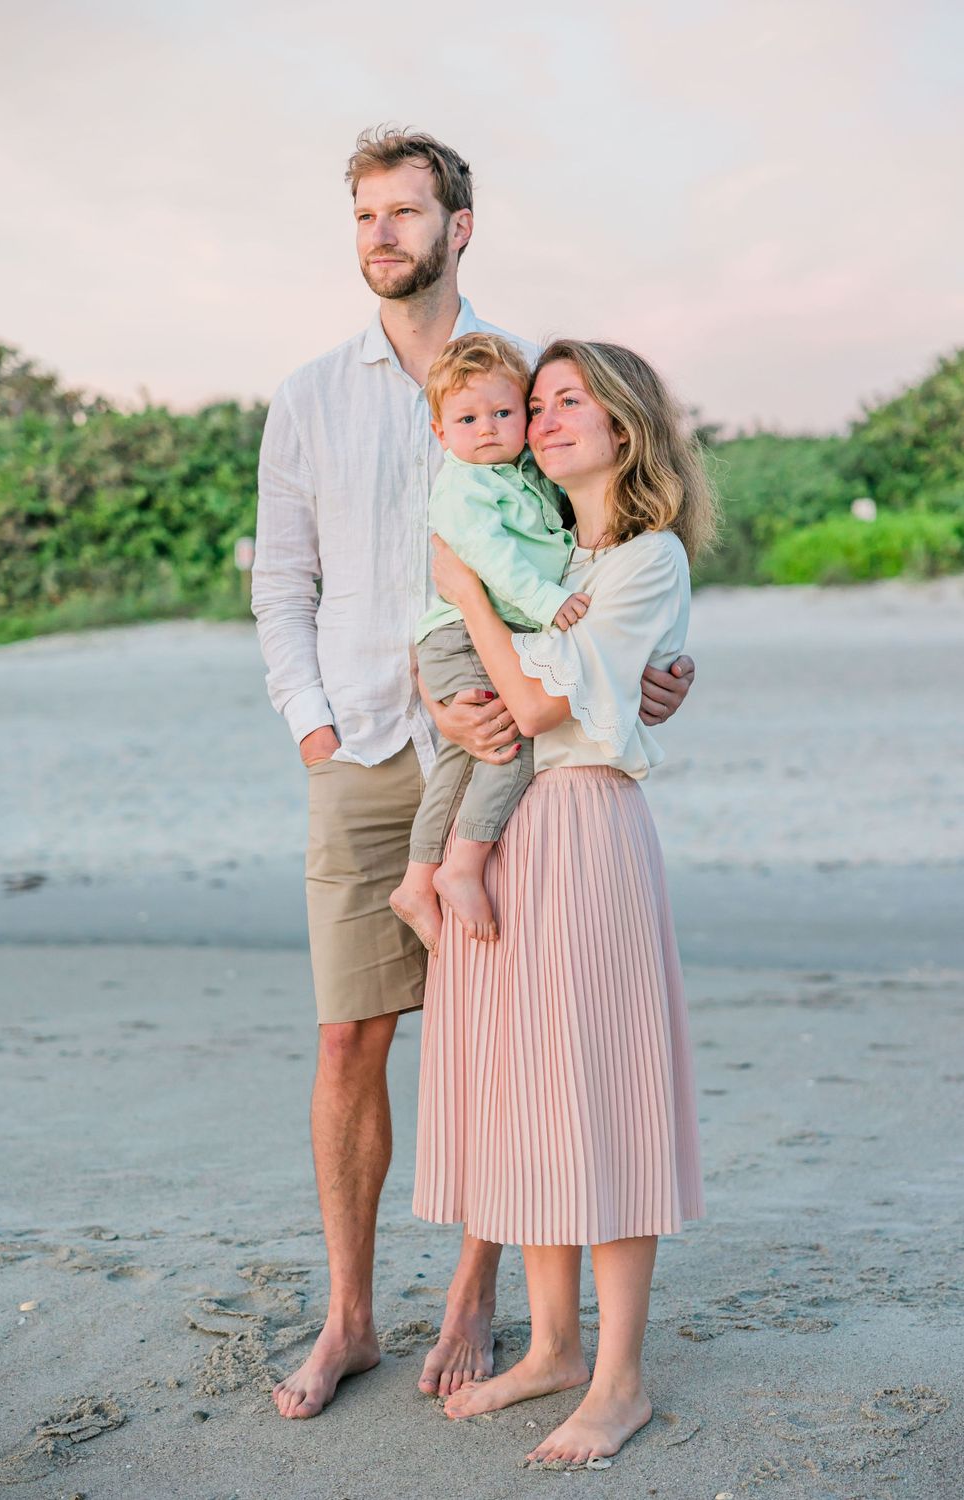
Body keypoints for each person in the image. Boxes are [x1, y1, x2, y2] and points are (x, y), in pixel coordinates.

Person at [252, 125, 696, 1422]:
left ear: (459, 225)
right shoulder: (311, 393)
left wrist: (668, 663)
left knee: (500, 1035)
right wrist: (313, 725)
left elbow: (611, 541)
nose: (381, 234)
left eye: (405, 212)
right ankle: (349, 1318)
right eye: (364, 215)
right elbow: (284, 579)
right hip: (375, 740)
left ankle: (479, 1301)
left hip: (521, 745)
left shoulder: (525, 378)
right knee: (352, 1032)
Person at [414, 338, 714, 1466]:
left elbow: (537, 708)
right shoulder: (535, 539)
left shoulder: (646, 560)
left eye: (568, 400)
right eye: (534, 403)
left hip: (584, 825)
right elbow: (467, 674)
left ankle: (621, 1378)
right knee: (526, 1092)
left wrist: (461, 595)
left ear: (625, 425)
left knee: (603, 1087)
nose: (542, 418)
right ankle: (548, 1347)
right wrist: (456, 649)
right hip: (506, 833)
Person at [389, 331, 590, 954]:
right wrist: (552, 604)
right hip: (461, 635)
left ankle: (419, 879)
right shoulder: (465, 488)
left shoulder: (522, 472)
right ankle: (464, 863)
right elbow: (495, 560)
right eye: (467, 418)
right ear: (438, 430)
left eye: (504, 413)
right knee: (511, 740)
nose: (487, 429)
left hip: (480, 633)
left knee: (464, 753)